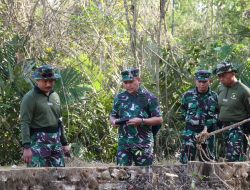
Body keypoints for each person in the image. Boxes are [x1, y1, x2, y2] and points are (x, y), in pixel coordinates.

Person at [110, 68, 163, 166]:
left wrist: (142, 121)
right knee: (122, 173)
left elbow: (159, 119)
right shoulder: (120, 98)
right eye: (125, 82)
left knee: (144, 175)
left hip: (143, 144)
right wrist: (114, 121)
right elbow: (113, 115)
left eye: (131, 82)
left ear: (138, 80)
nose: (128, 85)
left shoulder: (149, 98)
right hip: (124, 143)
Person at [20, 65, 70, 167]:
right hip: (38, 141)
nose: (48, 84)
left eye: (51, 81)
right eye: (44, 81)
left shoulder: (55, 96)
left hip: (56, 141)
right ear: (37, 80)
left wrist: (64, 143)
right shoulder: (30, 97)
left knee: (60, 175)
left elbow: (59, 121)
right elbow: (25, 122)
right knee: (37, 176)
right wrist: (26, 147)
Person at [180, 70, 219, 164]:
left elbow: (218, 114)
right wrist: (192, 122)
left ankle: (207, 179)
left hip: (208, 133)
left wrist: (207, 126)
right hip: (190, 132)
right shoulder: (187, 96)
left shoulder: (214, 97)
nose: (202, 84)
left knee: (208, 161)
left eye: (204, 82)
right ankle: (186, 179)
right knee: (186, 161)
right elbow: (183, 112)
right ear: (195, 81)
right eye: (199, 81)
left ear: (210, 81)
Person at [213, 61, 250, 162]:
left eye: (223, 76)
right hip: (224, 127)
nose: (221, 79)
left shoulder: (244, 91)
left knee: (234, 158)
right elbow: (219, 107)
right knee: (227, 156)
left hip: (238, 128)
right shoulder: (220, 88)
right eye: (219, 76)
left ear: (232, 73)